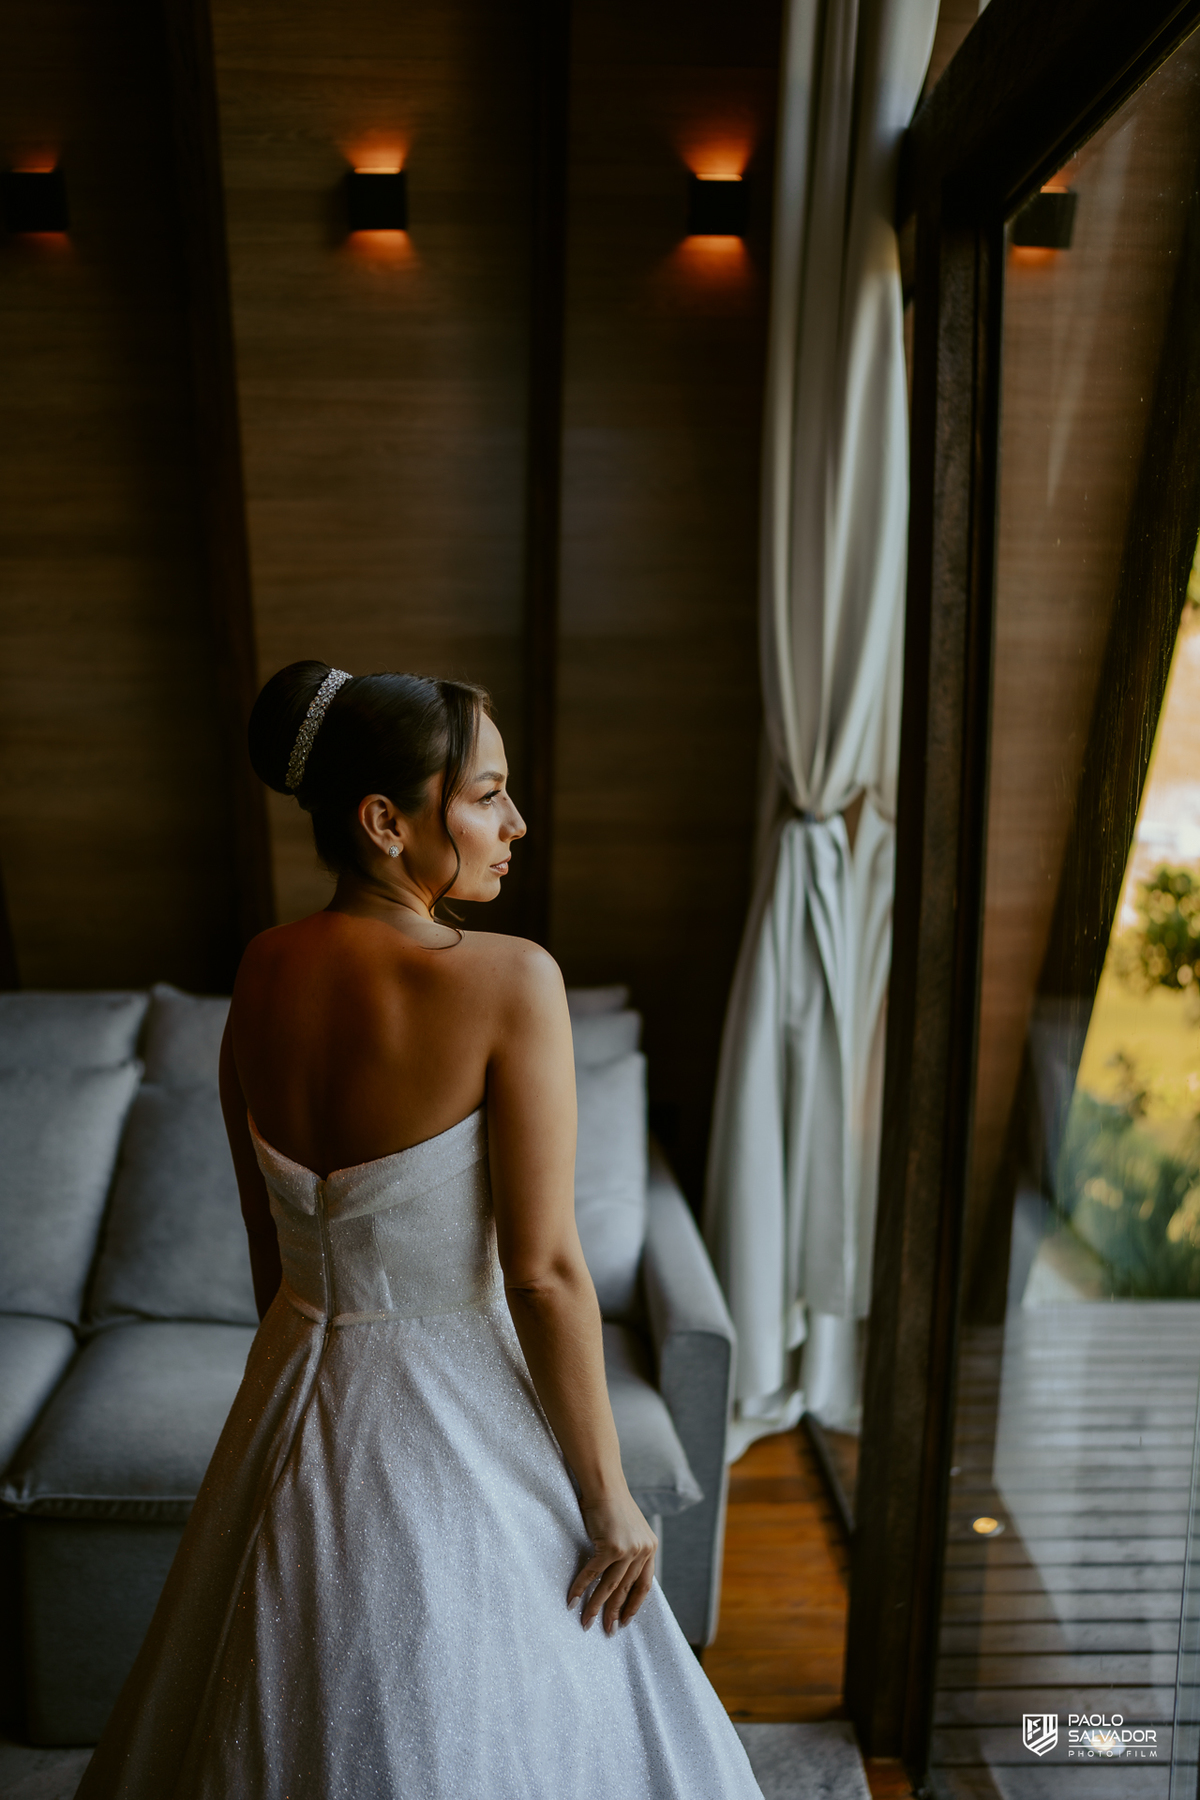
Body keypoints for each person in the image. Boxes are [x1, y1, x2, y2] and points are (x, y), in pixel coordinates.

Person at [75, 662, 763, 1799]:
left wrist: (293, 1413)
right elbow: (543, 1275)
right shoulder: (509, 981)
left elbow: (269, 1244)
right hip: (453, 1400)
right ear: (386, 822)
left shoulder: (260, 972)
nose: (516, 823)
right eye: (487, 795)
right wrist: (609, 1502)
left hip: (293, 1383)